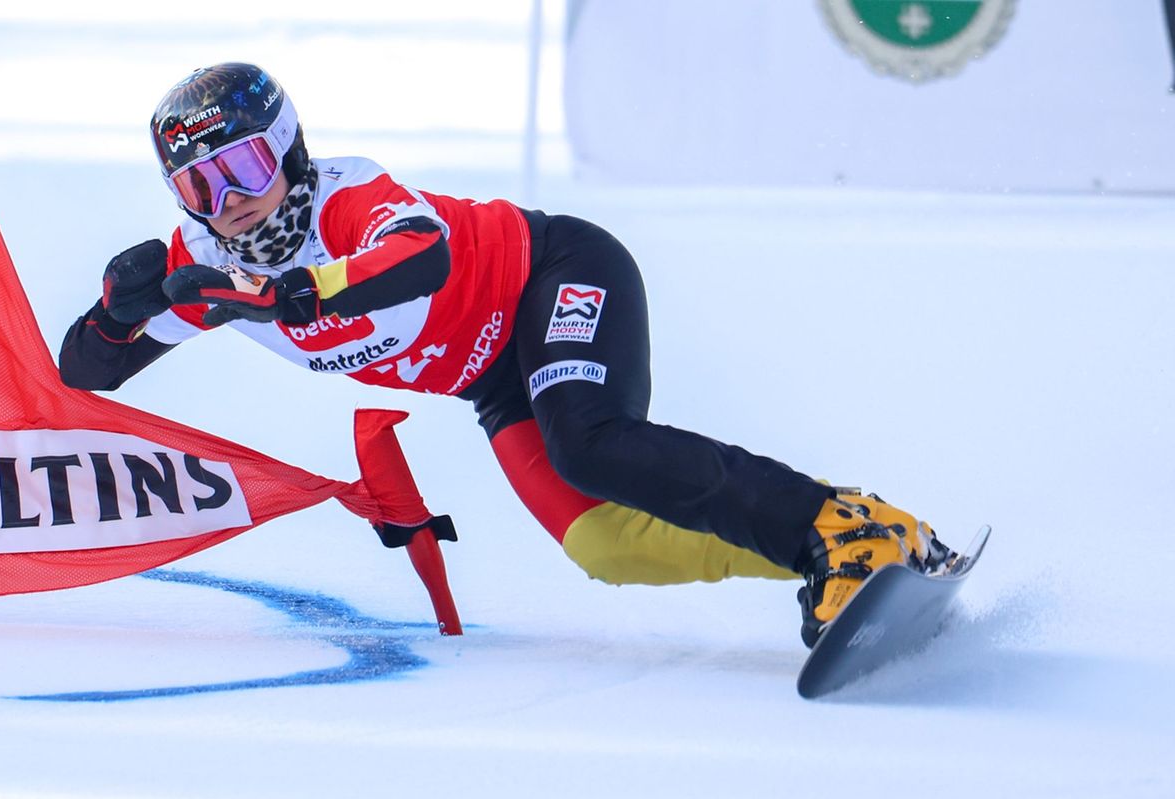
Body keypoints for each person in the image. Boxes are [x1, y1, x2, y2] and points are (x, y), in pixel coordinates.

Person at [59, 63, 952, 647]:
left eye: (247, 168)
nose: (232, 203)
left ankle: (838, 527)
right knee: (609, 546)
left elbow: (422, 257)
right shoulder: (204, 263)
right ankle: (854, 547)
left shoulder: (347, 192)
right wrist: (115, 314)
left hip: (554, 273)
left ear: (290, 151)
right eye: (200, 186)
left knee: (590, 443)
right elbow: (85, 377)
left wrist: (296, 293)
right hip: (494, 376)